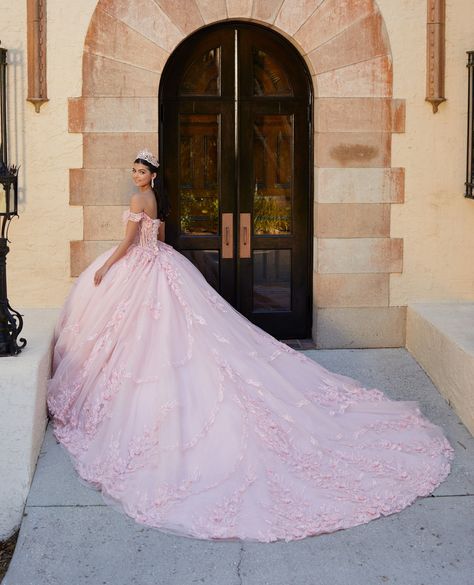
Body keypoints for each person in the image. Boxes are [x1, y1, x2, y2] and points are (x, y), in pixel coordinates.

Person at [47, 149, 453, 543]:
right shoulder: (157, 198)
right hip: (162, 264)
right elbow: (162, 236)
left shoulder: (140, 198)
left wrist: (106, 266)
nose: (134, 175)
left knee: (146, 331)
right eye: (133, 170)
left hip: (140, 265)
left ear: (151, 174)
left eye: (140, 170)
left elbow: (130, 242)